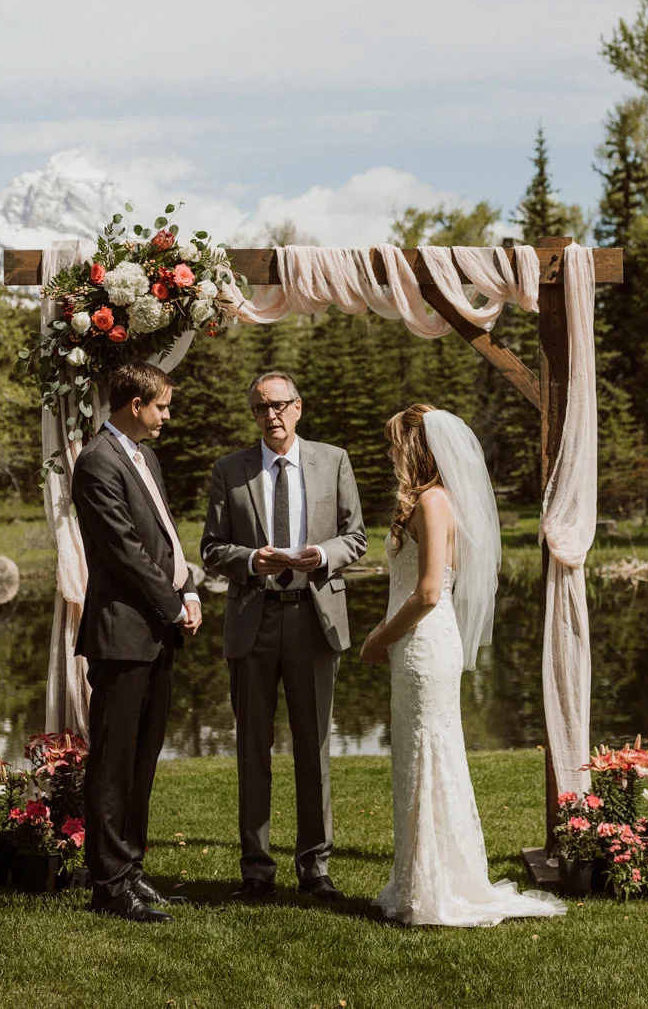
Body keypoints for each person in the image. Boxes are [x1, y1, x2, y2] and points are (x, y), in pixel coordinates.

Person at [358, 404, 567, 927]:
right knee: (419, 754)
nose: (389, 454)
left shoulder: (432, 502)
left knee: (430, 753)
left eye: (393, 445)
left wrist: (378, 638)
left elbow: (429, 591)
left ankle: (437, 888)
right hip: (420, 643)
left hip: (424, 641)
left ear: (413, 448)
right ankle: (417, 881)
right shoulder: (431, 501)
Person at [200, 371, 368, 902]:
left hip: (313, 618)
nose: (270, 415)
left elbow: (356, 537)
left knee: (313, 747)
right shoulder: (230, 470)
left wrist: (322, 555)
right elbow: (210, 549)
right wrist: (252, 559)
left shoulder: (333, 460)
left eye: (279, 405)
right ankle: (256, 870)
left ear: (299, 407)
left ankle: (315, 869)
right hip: (254, 618)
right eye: (259, 408)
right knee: (253, 747)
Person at [70, 361, 203, 923]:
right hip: (122, 633)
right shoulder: (97, 461)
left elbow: (165, 536)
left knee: (143, 759)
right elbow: (124, 550)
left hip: (157, 632)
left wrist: (189, 588)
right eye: (163, 406)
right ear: (134, 405)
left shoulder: (143, 457)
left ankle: (132, 872)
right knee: (113, 762)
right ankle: (108, 884)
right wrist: (171, 604)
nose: (167, 417)